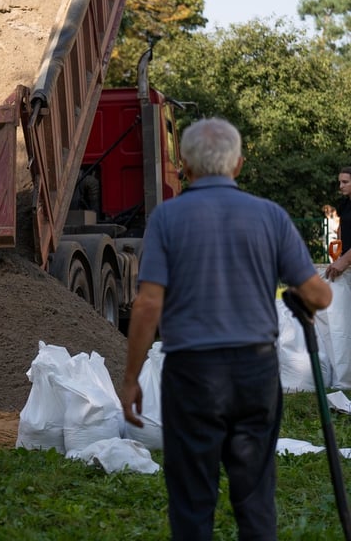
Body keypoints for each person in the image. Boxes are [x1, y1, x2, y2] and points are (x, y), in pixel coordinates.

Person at [120, 118, 332, 541]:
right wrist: (302, 297)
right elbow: (319, 295)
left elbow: (147, 304)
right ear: (237, 164)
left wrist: (130, 378)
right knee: (255, 497)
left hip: (192, 374)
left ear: (185, 165)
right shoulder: (269, 215)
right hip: (255, 372)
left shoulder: (167, 218)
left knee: (192, 499)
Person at [325, 167, 351, 280]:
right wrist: (338, 256)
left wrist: (344, 260)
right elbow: (341, 228)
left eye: (345, 182)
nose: (341, 186)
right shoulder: (344, 204)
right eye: (340, 182)